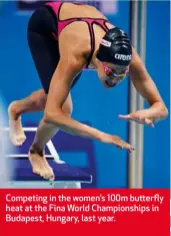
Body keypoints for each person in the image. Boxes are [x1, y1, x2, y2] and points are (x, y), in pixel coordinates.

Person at [8, 1, 168, 181]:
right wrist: (103, 136)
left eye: (122, 74)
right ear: (98, 61)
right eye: (111, 71)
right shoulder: (77, 54)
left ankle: (16, 109)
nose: (115, 79)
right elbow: (53, 115)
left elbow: (161, 108)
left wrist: (150, 112)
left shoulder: (129, 58)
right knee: (62, 107)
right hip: (45, 26)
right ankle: (36, 151)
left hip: (81, 22)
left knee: (51, 95)